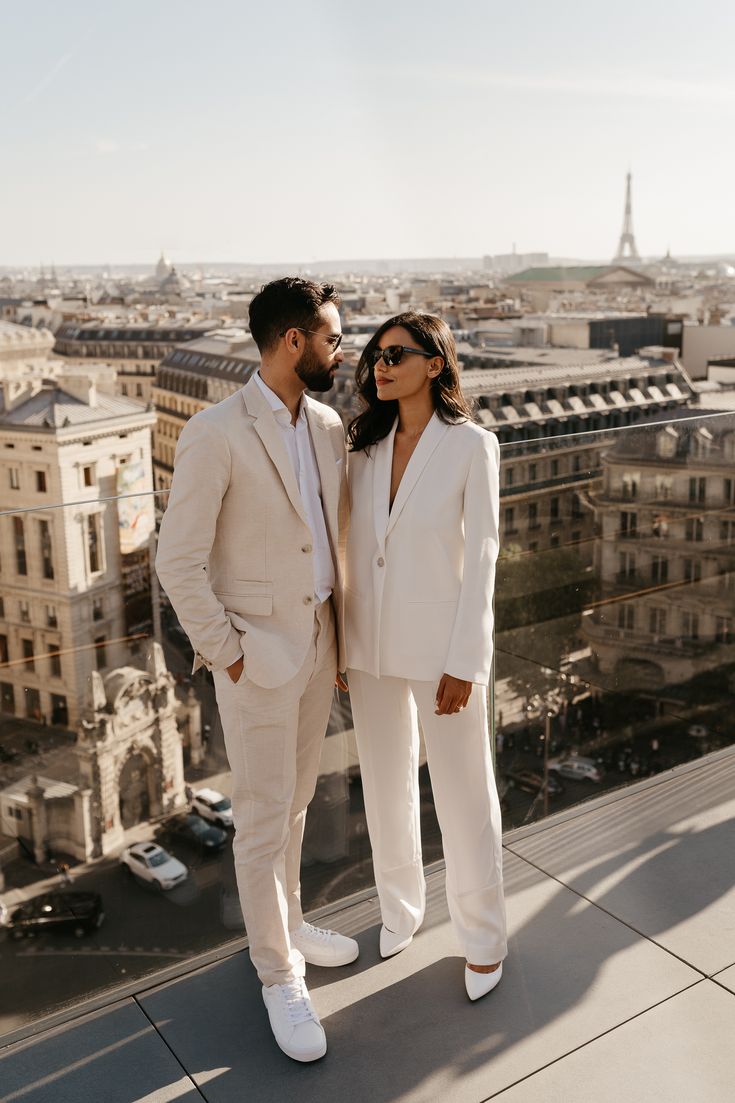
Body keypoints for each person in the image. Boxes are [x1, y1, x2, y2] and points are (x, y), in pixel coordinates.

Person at [156, 277, 358, 1063]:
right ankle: (278, 971)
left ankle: (293, 921)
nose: (341, 350)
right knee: (262, 818)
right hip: (257, 659)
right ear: (291, 341)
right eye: (332, 338)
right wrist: (229, 653)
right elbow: (178, 561)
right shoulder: (216, 430)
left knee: (296, 802)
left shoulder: (329, 424)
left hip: (315, 649)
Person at [344, 312, 507, 1001]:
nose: (380, 365)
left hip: (441, 648)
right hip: (368, 644)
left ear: (434, 363)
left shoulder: (471, 445)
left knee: (463, 791)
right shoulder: (362, 446)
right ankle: (400, 909)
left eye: (396, 354)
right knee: (383, 788)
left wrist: (465, 660)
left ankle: (482, 936)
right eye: (376, 355)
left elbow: (483, 557)